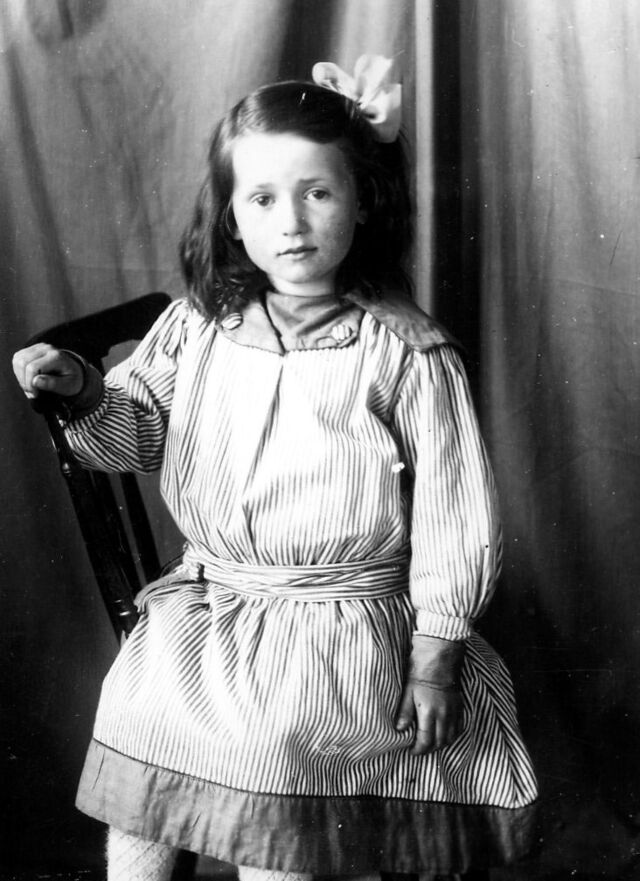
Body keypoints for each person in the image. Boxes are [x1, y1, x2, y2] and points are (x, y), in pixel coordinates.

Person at [13, 56, 537, 881]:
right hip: (213, 608)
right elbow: (133, 436)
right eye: (261, 198)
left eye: (317, 192)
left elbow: (456, 515)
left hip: (342, 628)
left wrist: (437, 654)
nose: (291, 222)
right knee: (141, 721)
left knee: (275, 763)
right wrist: (84, 391)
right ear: (230, 216)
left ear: (363, 202)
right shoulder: (200, 326)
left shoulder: (404, 351)